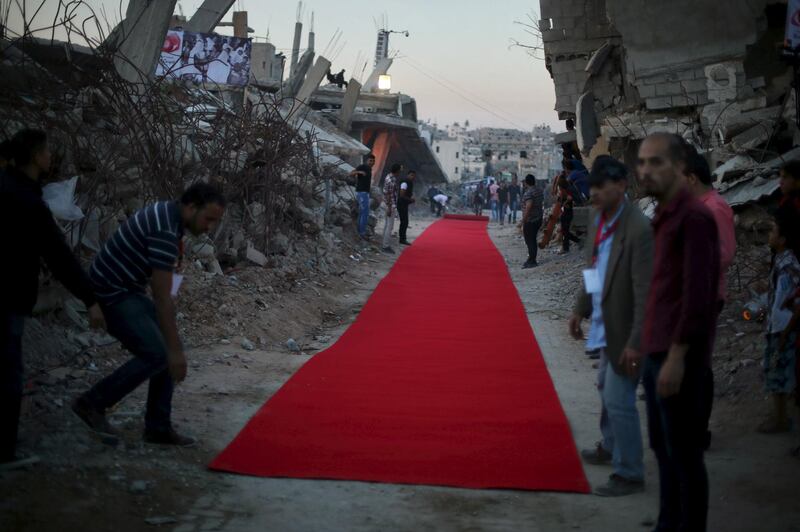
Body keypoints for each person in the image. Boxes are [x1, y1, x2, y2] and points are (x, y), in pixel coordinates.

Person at [72, 183, 226, 446]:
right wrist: (175, 351)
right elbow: (162, 296)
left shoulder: (169, 216)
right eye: (208, 219)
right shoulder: (165, 229)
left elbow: (168, 283)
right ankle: (92, 403)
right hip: (111, 292)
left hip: (125, 289)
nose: (209, 227)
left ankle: (157, 427)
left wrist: (173, 343)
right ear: (191, 207)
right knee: (159, 353)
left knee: (166, 347)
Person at [1, 129, 105, 470]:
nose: (51, 156)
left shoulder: (10, 188)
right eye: (46, 150)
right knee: (9, 374)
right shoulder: (28, 202)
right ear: (34, 156)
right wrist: (90, 299)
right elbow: (59, 257)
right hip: (10, 296)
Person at [638, 132, 719, 532]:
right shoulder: (663, 217)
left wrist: (676, 356)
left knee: (685, 456)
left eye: (656, 162)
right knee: (663, 451)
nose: (646, 170)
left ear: (680, 168)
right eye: (642, 162)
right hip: (656, 351)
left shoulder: (695, 218)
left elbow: (697, 297)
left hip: (679, 359)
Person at [569, 155, 653, 497]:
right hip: (605, 324)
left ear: (620, 186)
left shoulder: (639, 229)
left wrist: (636, 341)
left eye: (601, 188)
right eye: (593, 188)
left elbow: (646, 293)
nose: (595, 194)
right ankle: (609, 445)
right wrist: (580, 309)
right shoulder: (598, 220)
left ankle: (630, 472)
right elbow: (592, 270)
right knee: (606, 387)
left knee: (619, 400)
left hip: (626, 329)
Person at [683, 148, 736, 449]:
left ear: (691, 178)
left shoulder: (714, 208)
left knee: (698, 365)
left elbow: (725, 254)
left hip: (705, 295)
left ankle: (699, 431)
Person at [759, 212, 799, 433]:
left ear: (783, 239)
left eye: (773, 231)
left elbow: (792, 302)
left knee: (779, 372)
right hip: (777, 327)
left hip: (783, 329)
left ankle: (781, 419)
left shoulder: (787, 265)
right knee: (774, 372)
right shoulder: (781, 261)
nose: (769, 234)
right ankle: (779, 416)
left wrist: (784, 333)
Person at [519, 174, 544, 269]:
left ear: (526, 182)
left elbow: (528, 207)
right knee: (532, 239)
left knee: (530, 240)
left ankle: (532, 260)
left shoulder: (529, 193)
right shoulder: (539, 190)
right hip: (538, 218)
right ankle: (531, 258)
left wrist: (523, 220)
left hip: (531, 220)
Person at [350, 153, 375, 239]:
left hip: (364, 193)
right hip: (362, 193)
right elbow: (351, 173)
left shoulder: (369, 169)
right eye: (370, 160)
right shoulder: (363, 167)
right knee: (365, 213)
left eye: (373, 161)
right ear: (366, 160)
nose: (372, 162)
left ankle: (360, 231)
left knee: (362, 213)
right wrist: (359, 172)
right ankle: (362, 233)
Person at [558, 176, 581, 254]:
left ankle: (566, 247)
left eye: (559, 187)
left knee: (565, 231)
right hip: (565, 213)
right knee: (565, 231)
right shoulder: (563, 193)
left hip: (567, 214)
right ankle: (577, 241)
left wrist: (564, 203)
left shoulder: (567, 193)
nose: (559, 188)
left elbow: (570, 199)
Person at [382, 164, 400, 254]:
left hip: (387, 203)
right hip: (390, 205)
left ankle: (384, 244)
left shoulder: (388, 176)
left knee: (386, 225)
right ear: (397, 171)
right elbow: (389, 194)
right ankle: (385, 246)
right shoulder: (392, 180)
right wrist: (390, 207)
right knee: (390, 226)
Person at [397, 170, 416, 245]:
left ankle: (402, 238)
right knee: (404, 222)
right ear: (408, 175)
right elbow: (402, 195)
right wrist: (410, 200)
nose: (413, 177)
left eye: (414, 176)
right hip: (401, 204)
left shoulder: (409, 183)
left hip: (404, 204)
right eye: (411, 175)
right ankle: (402, 239)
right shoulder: (405, 183)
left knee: (405, 222)